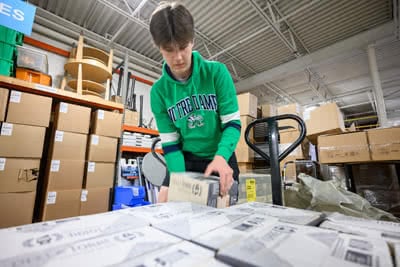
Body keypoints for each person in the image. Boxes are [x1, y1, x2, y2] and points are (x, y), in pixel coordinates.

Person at [149, 1, 241, 202]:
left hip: (221, 156)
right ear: (159, 48)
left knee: (226, 214)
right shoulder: (158, 92)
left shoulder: (216, 73)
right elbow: (171, 144)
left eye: (183, 47)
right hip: (184, 159)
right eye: (169, 50)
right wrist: (177, 181)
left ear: (192, 41)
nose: (178, 57)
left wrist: (221, 157)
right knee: (167, 203)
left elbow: (232, 124)